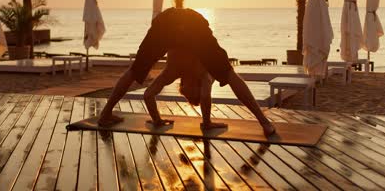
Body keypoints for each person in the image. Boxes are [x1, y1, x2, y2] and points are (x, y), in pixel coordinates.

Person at [97, 8, 276, 136]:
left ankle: (106, 114)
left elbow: (148, 95)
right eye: (194, 95)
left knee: (135, 70)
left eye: (190, 96)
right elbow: (205, 95)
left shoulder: (172, 73)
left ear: (183, 85)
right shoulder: (204, 74)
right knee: (228, 73)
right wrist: (206, 123)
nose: (193, 95)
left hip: (168, 22)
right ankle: (265, 122)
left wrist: (158, 120)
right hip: (189, 23)